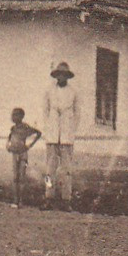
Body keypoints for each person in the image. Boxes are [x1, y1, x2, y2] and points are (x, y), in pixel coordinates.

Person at [43, 61, 81, 207]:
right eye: (59, 74)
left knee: (67, 170)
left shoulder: (73, 92)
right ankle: (48, 198)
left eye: (64, 75)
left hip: (66, 136)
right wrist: (49, 128)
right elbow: (45, 111)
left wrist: (71, 129)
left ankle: (66, 200)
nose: (61, 77)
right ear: (56, 76)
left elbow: (77, 113)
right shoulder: (49, 91)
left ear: (67, 76)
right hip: (52, 135)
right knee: (49, 170)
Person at [6, 108, 43, 207]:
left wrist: (30, 145)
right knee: (15, 177)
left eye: (15, 115)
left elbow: (38, 133)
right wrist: (8, 145)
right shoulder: (13, 128)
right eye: (12, 115)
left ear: (21, 117)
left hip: (23, 154)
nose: (13, 117)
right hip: (14, 154)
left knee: (22, 177)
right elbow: (10, 137)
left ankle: (21, 201)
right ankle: (15, 201)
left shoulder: (25, 127)